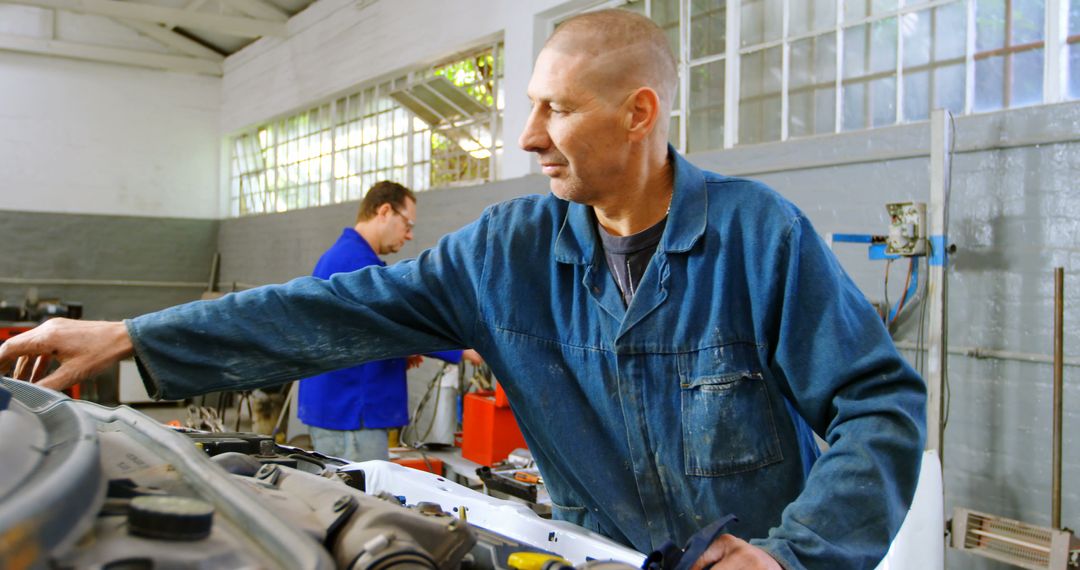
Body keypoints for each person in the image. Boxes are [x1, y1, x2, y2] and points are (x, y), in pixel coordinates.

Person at [1, 9, 925, 569]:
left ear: (639, 112)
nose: (528, 136)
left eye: (555, 108)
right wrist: (134, 338)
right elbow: (327, 311)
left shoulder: (758, 239)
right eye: (530, 105)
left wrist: (797, 555)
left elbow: (878, 404)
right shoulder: (504, 255)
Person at [298, 180, 481, 461]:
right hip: (351, 414)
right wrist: (463, 349)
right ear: (384, 211)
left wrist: (398, 350)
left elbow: (365, 329)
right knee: (365, 501)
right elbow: (397, 321)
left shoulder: (346, 257)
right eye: (407, 224)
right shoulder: (354, 263)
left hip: (344, 408)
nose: (408, 235)